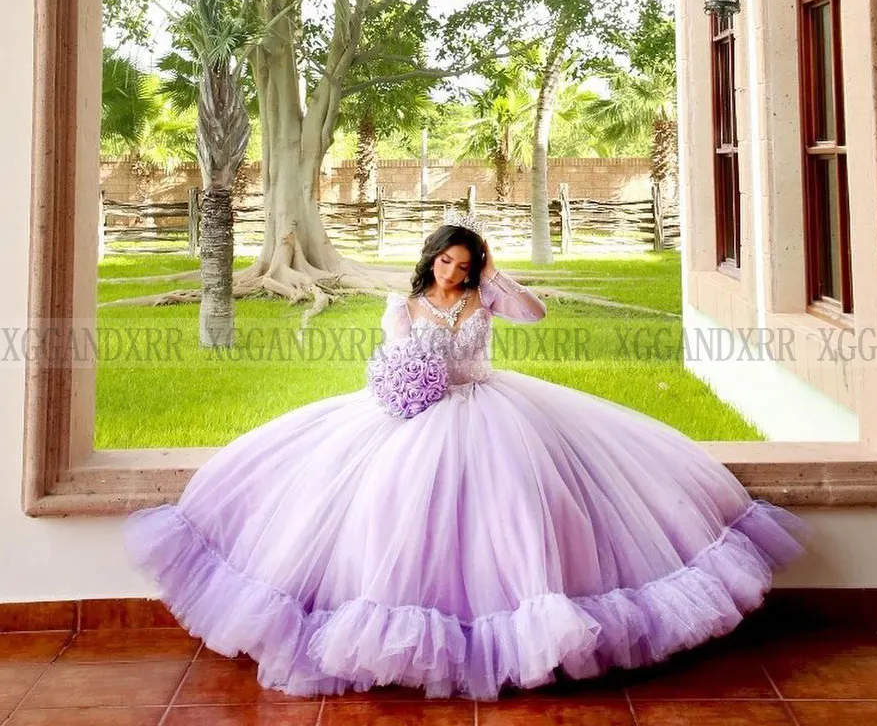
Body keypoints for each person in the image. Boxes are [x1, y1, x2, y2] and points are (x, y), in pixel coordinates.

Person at [123, 213, 808, 701]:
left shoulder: (487, 297)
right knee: (394, 512)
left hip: (490, 409)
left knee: (516, 510)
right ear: (432, 262)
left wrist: (502, 280)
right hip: (416, 417)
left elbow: (536, 316)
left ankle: (534, 632)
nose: (455, 272)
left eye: (466, 262)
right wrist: (403, 385)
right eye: (447, 262)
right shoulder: (404, 304)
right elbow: (391, 359)